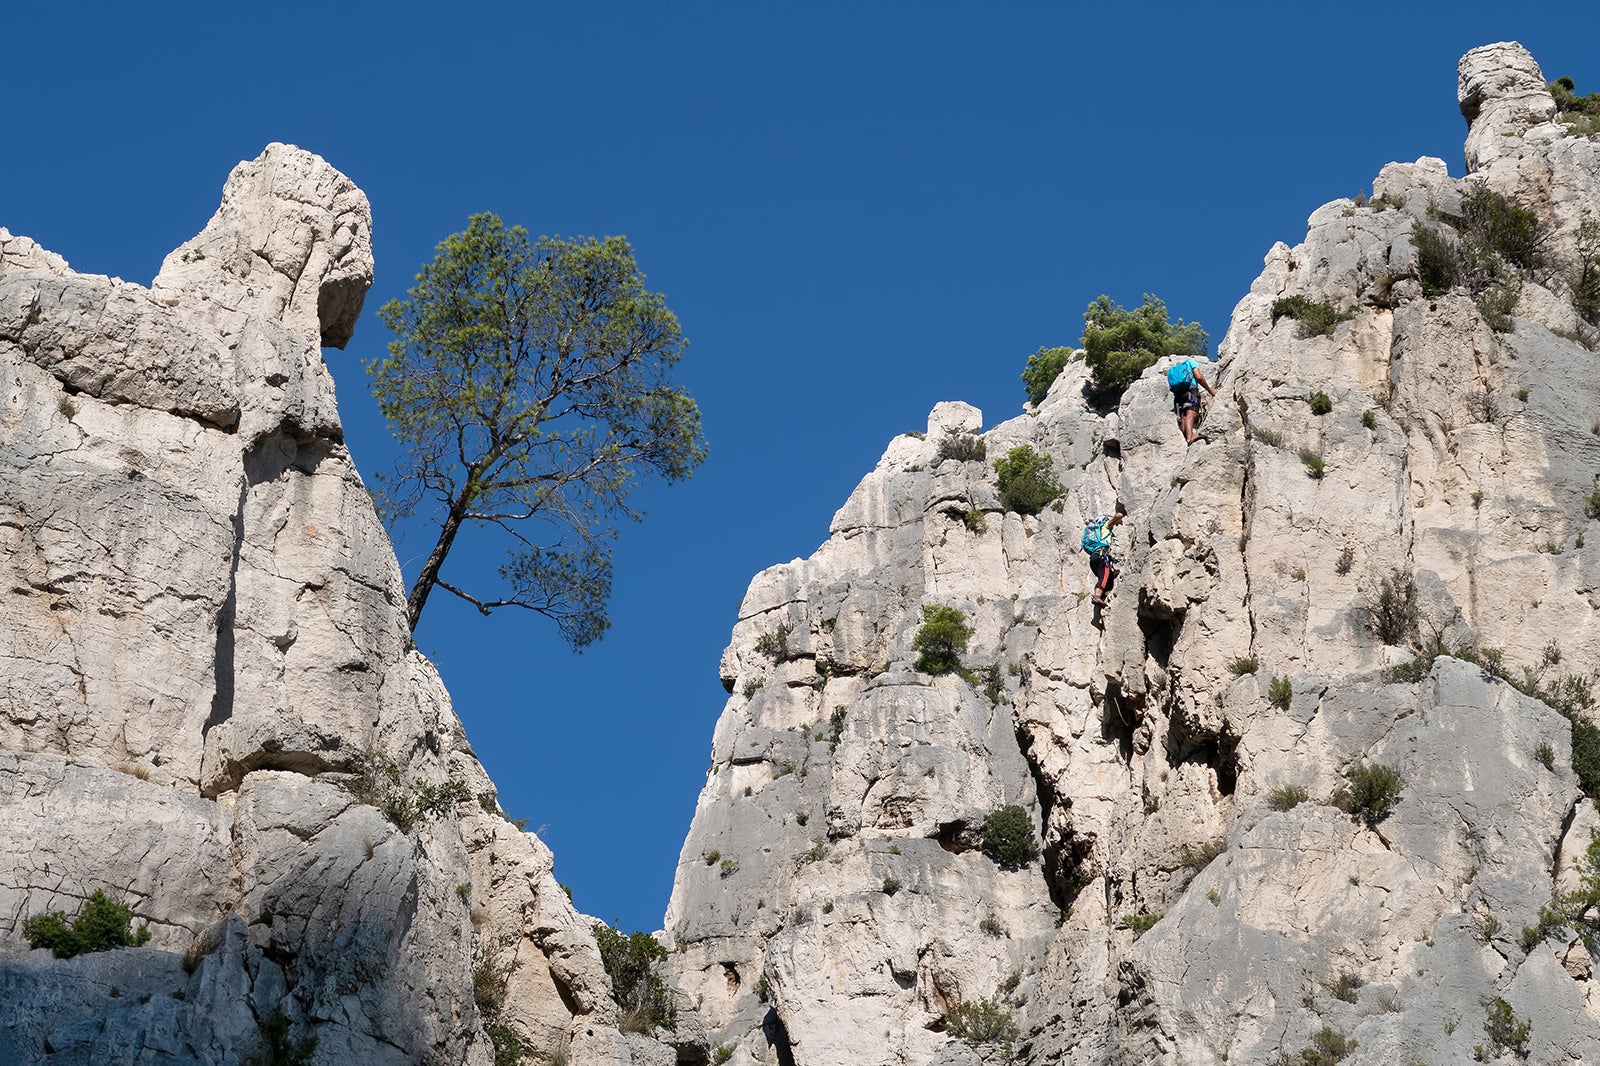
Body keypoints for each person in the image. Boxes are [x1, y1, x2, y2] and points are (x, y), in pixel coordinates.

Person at [1082, 503, 1126, 608]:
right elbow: (1119, 515)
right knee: (1104, 577)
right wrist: (1116, 520)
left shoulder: (1093, 532)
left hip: (1094, 558)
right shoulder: (1104, 526)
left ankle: (1102, 597)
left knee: (1108, 578)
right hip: (1101, 556)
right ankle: (1097, 597)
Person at [1167, 358, 1216, 445]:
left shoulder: (1176, 370)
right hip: (1190, 389)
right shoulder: (1191, 362)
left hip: (1178, 394)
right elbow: (1199, 377)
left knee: (1184, 415)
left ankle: (1186, 437)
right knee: (1191, 412)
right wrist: (1210, 391)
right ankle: (1190, 437)